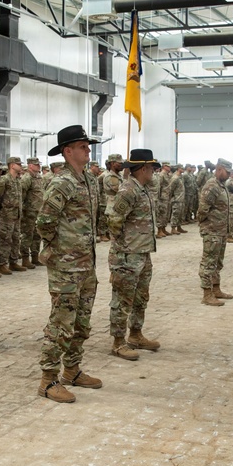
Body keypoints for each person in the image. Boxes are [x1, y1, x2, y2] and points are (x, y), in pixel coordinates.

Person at [36, 125, 102, 404]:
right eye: (83, 146)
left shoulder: (87, 180)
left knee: (81, 322)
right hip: (66, 266)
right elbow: (44, 222)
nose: (88, 150)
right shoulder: (61, 182)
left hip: (86, 264)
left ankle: (72, 370)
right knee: (61, 323)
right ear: (68, 151)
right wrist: (60, 249)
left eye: (88, 146)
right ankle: (48, 380)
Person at [107, 148, 161, 361]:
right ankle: (118, 342)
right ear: (144, 168)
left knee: (140, 297)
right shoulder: (128, 190)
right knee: (122, 299)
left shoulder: (143, 188)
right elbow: (113, 220)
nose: (154, 172)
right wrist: (122, 248)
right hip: (127, 255)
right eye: (151, 168)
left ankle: (136, 334)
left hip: (143, 252)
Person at [197, 158, 233, 306]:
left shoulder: (221, 186)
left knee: (217, 263)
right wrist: (207, 226)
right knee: (208, 263)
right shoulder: (212, 185)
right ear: (219, 170)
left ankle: (216, 289)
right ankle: (207, 294)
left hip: (220, 231)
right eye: (227, 171)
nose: (229, 174)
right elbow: (202, 210)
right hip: (212, 231)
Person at [19, 157, 44, 269]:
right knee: (27, 235)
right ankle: (25, 258)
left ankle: (35, 256)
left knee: (37, 235)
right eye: (36, 164)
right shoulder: (26, 178)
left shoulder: (38, 177)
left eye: (39, 164)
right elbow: (22, 195)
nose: (39, 166)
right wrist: (23, 210)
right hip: (29, 211)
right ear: (30, 166)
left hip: (38, 210)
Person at [168, 164, 187, 235]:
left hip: (182, 198)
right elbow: (171, 189)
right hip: (177, 199)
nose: (183, 169)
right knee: (175, 213)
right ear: (178, 168)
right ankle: (173, 228)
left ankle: (179, 227)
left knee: (180, 214)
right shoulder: (175, 178)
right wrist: (173, 197)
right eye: (182, 168)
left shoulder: (181, 177)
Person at [155, 162, 172, 238]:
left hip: (167, 197)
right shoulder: (161, 175)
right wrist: (158, 197)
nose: (169, 168)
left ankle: (163, 229)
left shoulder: (167, 175)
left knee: (166, 214)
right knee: (161, 213)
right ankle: (159, 230)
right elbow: (159, 186)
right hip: (162, 197)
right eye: (168, 166)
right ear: (164, 166)